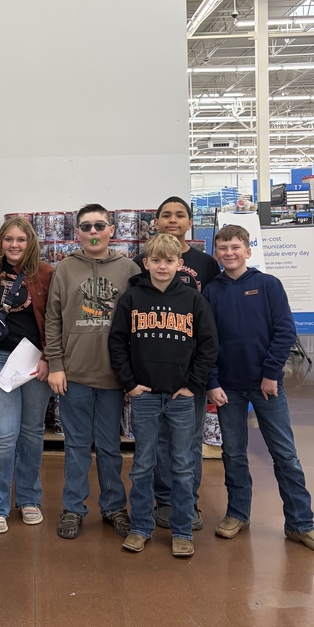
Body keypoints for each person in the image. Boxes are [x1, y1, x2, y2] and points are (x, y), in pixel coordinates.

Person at [203, 224, 314, 553]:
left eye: (235, 247)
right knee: (233, 454)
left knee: (285, 455)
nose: (229, 253)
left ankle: (301, 524)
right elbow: (206, 341)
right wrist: (212, 382)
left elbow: (285, 331)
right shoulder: (211, 292)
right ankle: (237, 514)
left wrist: (271, 373)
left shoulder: (267, 285)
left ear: (248, 250)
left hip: (266, 387)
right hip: (227, 389)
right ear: (216, 254)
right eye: (223, 248)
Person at [109, 234, 218, 557]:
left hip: (181, 397)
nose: (162, 266)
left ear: (179, 264)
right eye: (156, 260)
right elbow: (117, 343)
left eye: (169, 261)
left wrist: (193, 385)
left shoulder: (193, 300)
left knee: (183, 465)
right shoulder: (131, 299)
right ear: (146, 263)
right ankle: (141, 527)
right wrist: (129, 383)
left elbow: (209, 345)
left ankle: (182, 530)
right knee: (142, 464)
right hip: (143, 395)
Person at [45, 203, 138, 541]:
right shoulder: (64, 269)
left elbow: (136, 323)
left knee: (111, 447)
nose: (94, 232)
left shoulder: (129, 269)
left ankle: (114, 507)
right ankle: (73, 507)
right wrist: (55, 364)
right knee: (77, 446)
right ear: (78, 233)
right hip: (74, 375)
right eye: (86, 227)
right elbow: (53, 319)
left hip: (114, 376)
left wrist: (131, 374)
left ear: (112, 229)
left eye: (100, 225)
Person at [133, 196, 221, 532]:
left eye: (180, 215)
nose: (173, 219)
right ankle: (164, 501)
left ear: (189, 222)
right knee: (156, 444)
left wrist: (203, 376)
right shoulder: (144, 262)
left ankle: (188, 502)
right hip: (152, 373)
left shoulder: (206, 263)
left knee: (188, 443)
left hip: (190, 371)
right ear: (155, 222)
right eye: (166, 215)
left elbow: (211, 321)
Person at [0, 216, 53, 533]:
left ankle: (29, 499)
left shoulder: (46, 273)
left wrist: (50, 357)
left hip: (35, 361)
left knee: (32, 432)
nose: (15, 245)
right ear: (0, 242)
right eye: (9, 239)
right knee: (5, 435)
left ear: (30, 242)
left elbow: (55, 317)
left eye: (21, 239)